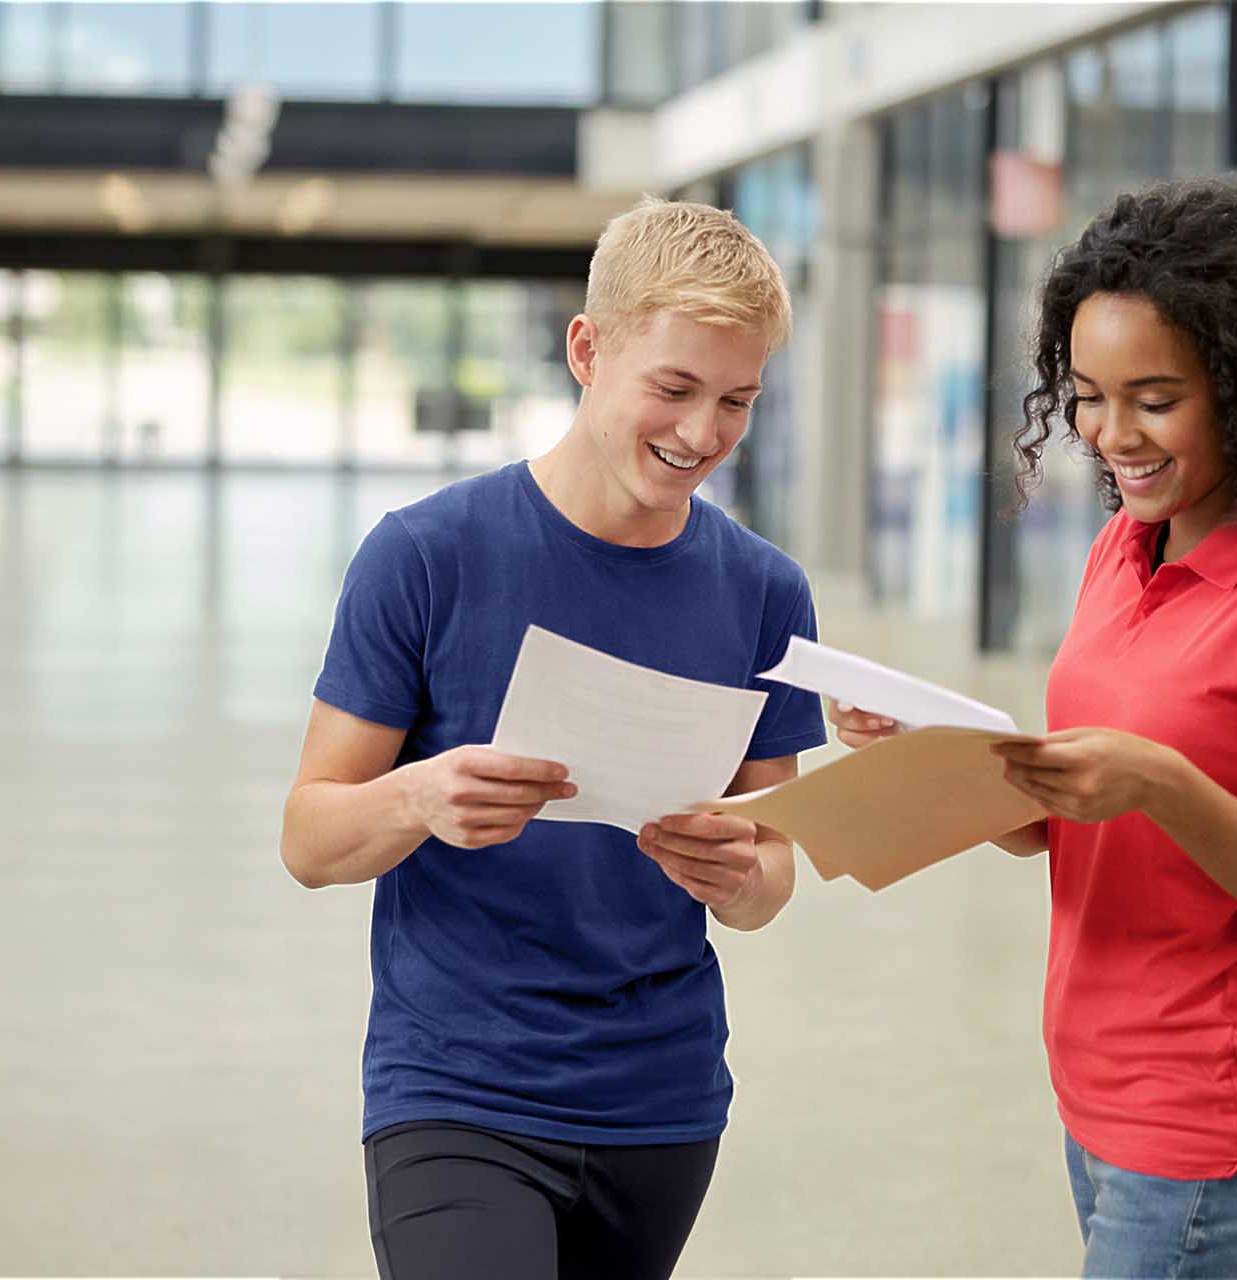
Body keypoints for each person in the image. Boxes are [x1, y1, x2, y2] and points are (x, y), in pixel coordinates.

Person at [831, 179, 1237, 1278]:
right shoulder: (1123, 549)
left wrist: (1161, 782)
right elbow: (1079, 821)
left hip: (1211, 1119)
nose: (1110, 434)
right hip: (1099, 1089)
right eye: (1090, 396)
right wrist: (940, 755)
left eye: (1155, 398)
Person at [281, 197, 827, 1280]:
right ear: (587, 348)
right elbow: (309, 838)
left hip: (659, 1099)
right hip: (457, 1084)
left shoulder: (765, 592)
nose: (703, 433)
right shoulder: (426, 556)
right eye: (673, 388)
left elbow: (773, 876)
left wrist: (737, 873)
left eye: (737, 400)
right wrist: (416, 798)